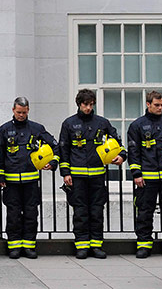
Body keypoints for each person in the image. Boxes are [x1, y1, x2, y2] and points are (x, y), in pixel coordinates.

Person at [58, 89, 126, 259]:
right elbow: (63, 150)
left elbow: (118, 143)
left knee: (96, 211)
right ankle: (81, 246)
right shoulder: (68, 123)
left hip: (97, 176)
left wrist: (122, 156)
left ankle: (96, 245)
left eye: (91, 104)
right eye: (85, 104)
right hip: (77, 176)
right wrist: (65, 173)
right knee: (80, 212)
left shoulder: (102, 123)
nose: (88, 108)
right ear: (79, 104)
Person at [0, 97, 59, 259]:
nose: (21, 115)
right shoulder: (4, 130)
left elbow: (56, 146)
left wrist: (53, 161)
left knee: (31, 214)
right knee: (13, 215)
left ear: (28, 110)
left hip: (31, 182)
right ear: (13, 110)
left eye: (24, 112)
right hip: (11, 182)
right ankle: (14, 246)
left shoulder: (37, 129)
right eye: (18, 112)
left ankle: (29, 246)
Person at [127, 90, 162, 258]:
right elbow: (133, 152)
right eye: (156, 105)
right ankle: (144, 245)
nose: (160, 108)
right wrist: (136, 173)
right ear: (148, 104)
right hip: (146, 178)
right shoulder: (137, 126)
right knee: (144, 212)